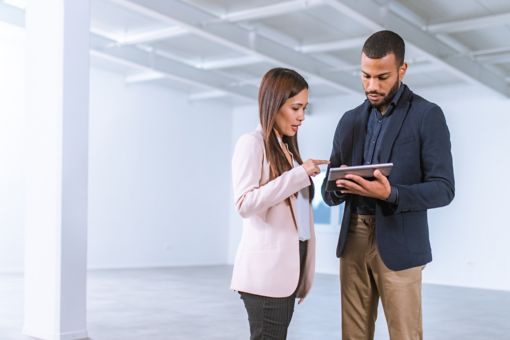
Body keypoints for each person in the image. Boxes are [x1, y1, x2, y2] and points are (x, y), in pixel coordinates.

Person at [321, 30, 455, 340]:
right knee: (353, 335)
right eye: (365, 76)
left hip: (400, 242)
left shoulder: (427, 115)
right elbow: (329, 193)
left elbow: (444, 188)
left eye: (382, 77)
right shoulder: (349, 121)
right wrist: (342, 186)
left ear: (402, 70)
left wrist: (391, 194)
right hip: (353, 236)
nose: (372, 85)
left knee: (405, 335)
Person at [231, 67, 329, 339]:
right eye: (296, 107)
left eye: (305, 108)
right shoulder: (251, 143)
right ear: (274, 104)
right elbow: (244, 203)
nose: (301, 116)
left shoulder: (285, 149)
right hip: (265, 277)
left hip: (285, 273)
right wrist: (298, 175)